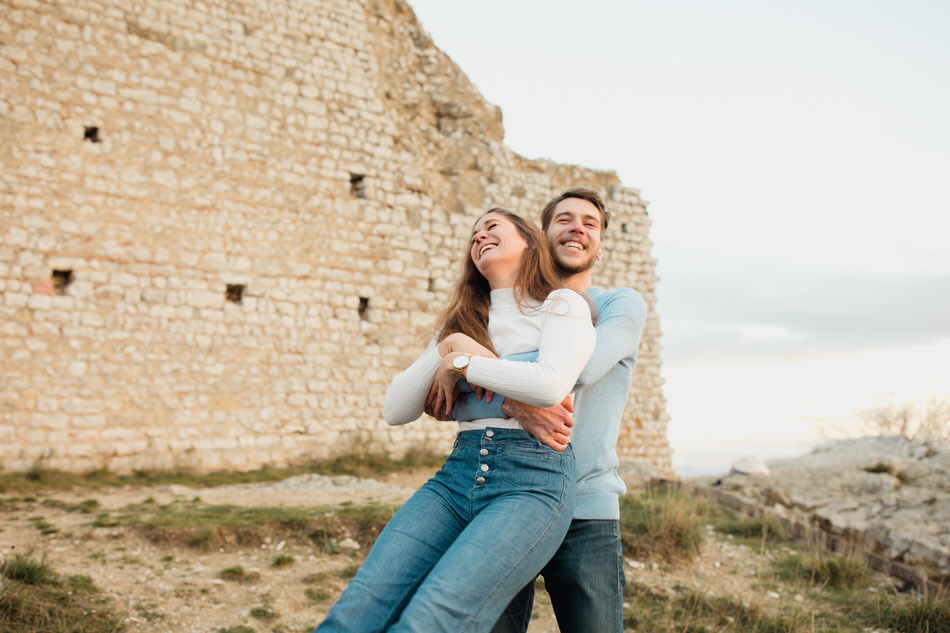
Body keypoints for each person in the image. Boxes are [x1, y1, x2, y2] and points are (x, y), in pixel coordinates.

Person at [314, 208, 596, 633]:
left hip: (532, 481)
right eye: (474, 234)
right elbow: (396, 409)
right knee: (355, 612)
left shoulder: (560, 305)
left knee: (429, 621)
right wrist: (453, 341)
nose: (479, 236)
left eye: (492, 227)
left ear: (528, 241)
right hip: (456, 476)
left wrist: (461, 363)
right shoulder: (458, 324)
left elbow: (548, 385)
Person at [446, 188, 647, 633]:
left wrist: (464, 363)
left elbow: (577, 370)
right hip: (505, 502)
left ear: (600, 242)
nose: (577, 227)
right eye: (565, 219)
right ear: (541, 236)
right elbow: (445, 405)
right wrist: (508, 384)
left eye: (590, 223)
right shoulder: (504, 313)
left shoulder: (619, 305)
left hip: (585, 509)